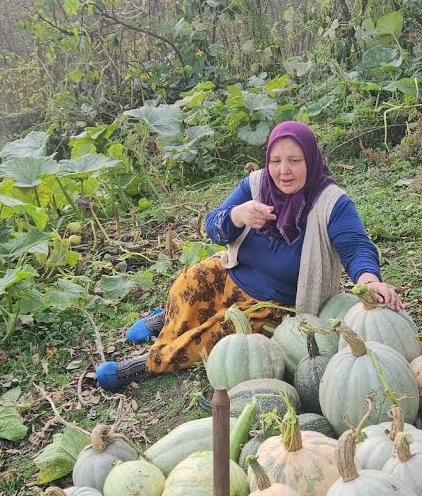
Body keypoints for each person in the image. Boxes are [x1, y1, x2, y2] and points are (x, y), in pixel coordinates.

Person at [95, 120, 403, 391]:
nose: (284, 170)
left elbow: (356, 247)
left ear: (310, 160)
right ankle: (166, 321)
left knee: (219, 334)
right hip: (233, 273)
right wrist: (237, 215)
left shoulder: (331, 203)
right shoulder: (256, 185)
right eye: (276, 160)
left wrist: (369, 280)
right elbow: (213, 227)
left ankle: (147, 363)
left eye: (295, 160)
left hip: (273, 304)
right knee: (188, 281)